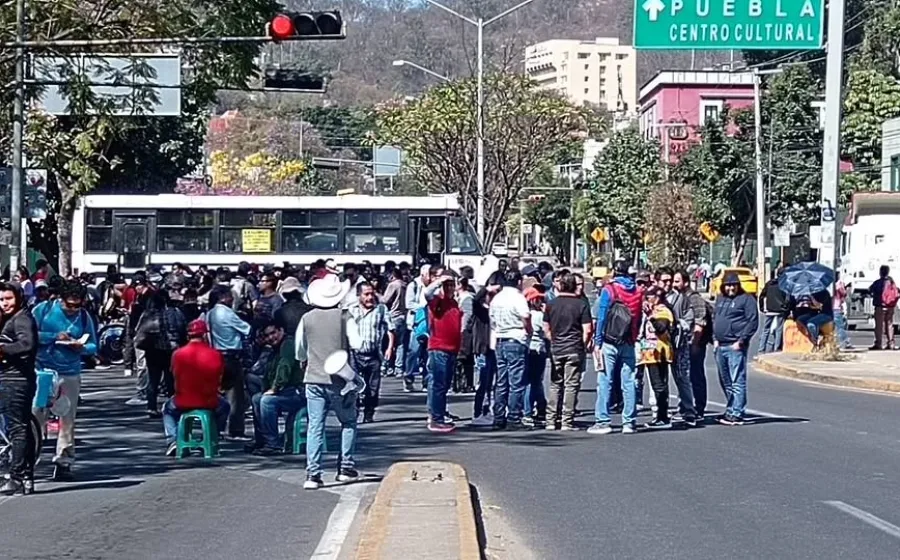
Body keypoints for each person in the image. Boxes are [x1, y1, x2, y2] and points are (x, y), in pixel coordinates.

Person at [296, 274, 359, 489]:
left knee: (315, 425)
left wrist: (307, 358)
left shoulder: (307, 318)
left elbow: (300, 350)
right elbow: (357, 343)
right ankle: (345, 468)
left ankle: (313, 474)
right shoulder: (345, 316)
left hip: (313, 377)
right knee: (348, 422)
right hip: (340, 378)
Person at [32, 281, 98, 481]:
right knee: (36, 415)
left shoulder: (84, 317)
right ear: (60, 299)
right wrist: (54, 336)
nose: (73, 309)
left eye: (77, 305)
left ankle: (64, 461)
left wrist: (81, 347)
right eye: (69, 305)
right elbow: (30, 335)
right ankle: (29, 458)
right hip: (43, 370)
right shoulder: (42, 310)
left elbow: (93, 345)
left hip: (70, 372)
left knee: (67, 419)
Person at [589, 260, 643, 435]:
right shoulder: (637, 291)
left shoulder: (609, 290)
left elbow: (602, 317)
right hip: (628, 340)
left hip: (609, 340)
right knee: (629, 382)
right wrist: (634, 337)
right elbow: (638, 317)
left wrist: (597, 341)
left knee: (605, 381)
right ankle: (629, 422)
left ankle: (603, 421)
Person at [162, 319, 230, 456]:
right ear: (205, 335)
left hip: (182, 401)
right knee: (225, 406)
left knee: (167, 409)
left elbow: (173, 375)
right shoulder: (215, 354)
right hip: (209, 401)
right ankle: (215, 435)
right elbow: (220, 377)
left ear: (188, 335)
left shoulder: (177, 354)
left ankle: (173, 440)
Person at [0, 282, 38, 495]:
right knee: (21, 427)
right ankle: (26, 477)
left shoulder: (21, 318)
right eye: (1, 299)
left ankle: (16, 477)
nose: (4, 303)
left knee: (17, 428)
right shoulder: (11, 318)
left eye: (8, 299)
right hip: (13, 378)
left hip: (15, 380)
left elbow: (27, 344)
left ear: (19, 298)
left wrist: (2, 349)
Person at [248, 319, 306, 455]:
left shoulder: (288, 345)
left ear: (281, 330)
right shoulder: (273, 350)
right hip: (285, 391)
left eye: (273, 333)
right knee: (256, 398)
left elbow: (284, 368)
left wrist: (274, 389)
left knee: (267, 401)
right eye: (267, 335)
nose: (270, 337)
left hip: (297, 392)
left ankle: (273, 444)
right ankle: (262, 440)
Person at [543, 273, 592, 431]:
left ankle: (550, 420)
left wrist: (553, 340)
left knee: (555, 384)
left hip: (557, 348)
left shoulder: (551, 304)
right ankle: (567, 421)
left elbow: (546, 328)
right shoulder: (581, 304)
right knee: (571, 385)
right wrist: (582, 344)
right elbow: (587, 329)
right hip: (574, 348)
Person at [713, 272, 759, 425]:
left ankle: (737, 412)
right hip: (720, 345)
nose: (731, 288)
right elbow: (715, 318)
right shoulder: (720, 299)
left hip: (735, 346)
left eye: (733, 285)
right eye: (728, 285)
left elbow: (752, 321)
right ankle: (731, 408)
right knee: (725, 380)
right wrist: (715, 339)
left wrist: (741, 341)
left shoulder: (747, 299)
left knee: (737, 380)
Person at [488, 270, 532, 431]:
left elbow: (492, 319)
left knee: (501, 381)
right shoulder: (518, 298)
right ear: (518, 282)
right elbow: (525, 316)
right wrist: (529, 330)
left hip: (500, 339)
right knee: (516, 382)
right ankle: (514, 417)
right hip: (515, 338)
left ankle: (498, 417)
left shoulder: (497, 298)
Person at [207, 285, 252, 440]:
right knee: (235, 396)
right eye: (230, 296)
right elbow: (246, 329)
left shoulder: (210, 313)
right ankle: (235, 430)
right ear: (223, 297)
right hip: (231, 356)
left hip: (216, 355)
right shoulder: (226, 313)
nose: (232, 299)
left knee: (219, 394)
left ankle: (216, 427)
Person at [346, 282, 395, 423]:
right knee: (353, 385)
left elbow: (390, 329)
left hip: (373, 354)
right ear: (359, 295)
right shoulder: (350, 310)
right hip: (355, 354)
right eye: (366, 294)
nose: (370, 297)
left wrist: (390, 347)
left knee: (373, 386)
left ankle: (369, 413)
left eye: (372, 294)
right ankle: (354, 411)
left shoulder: (381, 309)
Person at [423, 273, 463, 433]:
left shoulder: (454, 303)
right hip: (439, 348)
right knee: (438, 385)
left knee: (444, 385)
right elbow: (427, 293)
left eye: (452, 285)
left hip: (452, 349)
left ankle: (439, 414)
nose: (450, 288)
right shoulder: (437, 301)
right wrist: (440, 280)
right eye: (447, 285)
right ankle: (436, 419)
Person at [660, 267, 697, 427]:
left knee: (682, 378)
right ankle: (661, 413)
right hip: (658, 346)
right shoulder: (653, 297)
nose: (668, 284)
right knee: (660, 381)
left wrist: (678, 325)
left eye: (670, 281)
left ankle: (689, 411)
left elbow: (689, 318)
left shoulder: (681, 298)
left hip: (678, 345)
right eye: (664, 281)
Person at [638, 287, 675, 429]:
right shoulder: (651, 311)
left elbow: (661, 328)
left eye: (649, 297)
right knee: (656, 385)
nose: (647, 300)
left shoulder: (663, 311)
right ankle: (660, 416)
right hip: (649, 353)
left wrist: (651, 316)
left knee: (659, 386)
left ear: (657, 297)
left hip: (659, 353)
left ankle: (663, 417)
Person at [403, 265, 432, 392]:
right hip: (416, 323)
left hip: (430, 324)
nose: (430, 278)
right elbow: (409, 304)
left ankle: (426, 382)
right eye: (428, 275)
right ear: (422, 275)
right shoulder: (413, 285)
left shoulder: (433, 287)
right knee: (413, 352)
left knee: (428, 354)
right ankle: (408, 378)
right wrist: (424, 308)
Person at [380, 268, 408, 377]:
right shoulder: (405, 285)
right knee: (400, 344)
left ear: (392, 276)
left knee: (388, 342)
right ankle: (399, 368)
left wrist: (377, 294)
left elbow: (385, 300)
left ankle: (386, 366)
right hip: (403, 316)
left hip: (393, 316)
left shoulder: (393, 285)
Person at [757, 270, 789, 354]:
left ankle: (761, 349)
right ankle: (776, 349)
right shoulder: (784, 285)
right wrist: (786, 308)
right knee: (779, 330)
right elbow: (788, 298)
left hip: (769, 310)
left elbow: (761, 296)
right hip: (780, 310)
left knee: (765, 330)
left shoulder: (769, 283)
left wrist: (762, 307)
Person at [869, 265, 897, 350]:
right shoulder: (891, 282)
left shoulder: (878, 282)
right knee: (889, 324)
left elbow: (870, 290)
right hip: (890, 306)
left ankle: (879, 343)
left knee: (879, 326)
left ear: (880, 272)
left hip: (880, 306)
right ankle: (891, 343)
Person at [833, 274, 853, 350]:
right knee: (840, 327)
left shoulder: (830, 284)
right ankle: (844, 342)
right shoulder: (839, 284)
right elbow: (843, 294)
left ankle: (835, 343)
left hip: (830, 308)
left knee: (833, 327)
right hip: (837, 307)